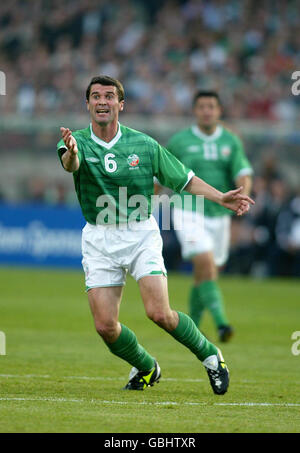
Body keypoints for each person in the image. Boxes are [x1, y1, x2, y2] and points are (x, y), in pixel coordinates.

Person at [57, 76, 254, 394]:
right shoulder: (73, 141)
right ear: (88, 104)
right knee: (105, 327)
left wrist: (221, 197)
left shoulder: (144, 145)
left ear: (121, 104)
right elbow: (71, 164)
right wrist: (72, 153)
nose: (102, 101)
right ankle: (147, 366)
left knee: (159, 313)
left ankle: (211, 357)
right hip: (98, 237)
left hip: (139, 234)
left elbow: (184, 179)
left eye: (109, 96)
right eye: (96, 96)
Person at [166, 91, 253, 342]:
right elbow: (162, 173)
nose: (206, 111)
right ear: (194, 111)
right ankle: (223, 324)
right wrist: (146, 204)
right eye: (202, 106)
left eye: (211, 106)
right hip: (187, 209)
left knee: (205, 273)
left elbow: (243, 174)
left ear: (219, 111)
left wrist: (242, 198)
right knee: (204, 263)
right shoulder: (179, 141)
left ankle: (191, 328)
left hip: (219, 214)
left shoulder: (230, 141)